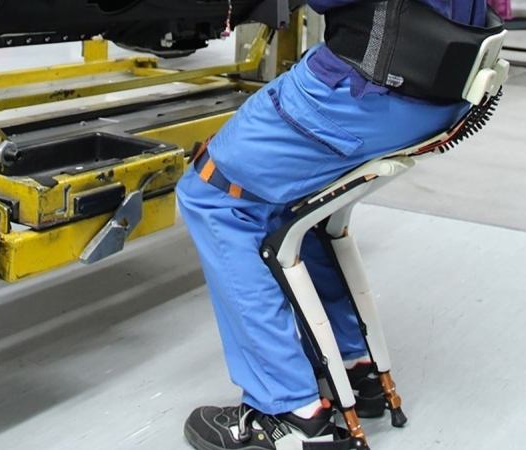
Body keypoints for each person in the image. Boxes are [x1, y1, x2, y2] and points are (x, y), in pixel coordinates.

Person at [178, 0, 489, 448]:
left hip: (367, 92)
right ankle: (351, 362)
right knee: (292, 198)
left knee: (213, 194)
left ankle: (288, 412)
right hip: (437, 93)